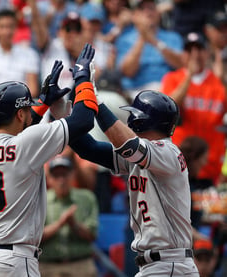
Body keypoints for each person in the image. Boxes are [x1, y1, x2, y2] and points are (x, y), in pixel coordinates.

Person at [0, 44, 99, 277]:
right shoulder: (25, 144)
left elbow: (19, 131)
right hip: (11, 261)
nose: (30, 111)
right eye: (27, 107)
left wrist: (43, 102)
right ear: (19, 114)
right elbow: (84, 120)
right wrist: (83, 79)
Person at [70, 82, 199, 275]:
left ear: (144, 121)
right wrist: (61, 110)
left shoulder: (166, 152)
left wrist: (94, 99)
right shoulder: (141, 155)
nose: (131, 119)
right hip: (159, 265)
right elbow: (90, 149)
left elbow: (127, 144)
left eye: (134, 115)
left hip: (168, 264)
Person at [161, 32, 227, 186]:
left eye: (199, 49)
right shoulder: (173, 79)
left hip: (210, 167)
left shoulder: (218, 83)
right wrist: (189, 75)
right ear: (183, 54)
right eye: (190, 50)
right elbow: (170, 106)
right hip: (180, 166)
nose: (195, 55)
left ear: (207, 52)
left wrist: (222, 80)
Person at [39, 154, 99, 277]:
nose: (61, 180)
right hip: (48, 265)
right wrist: (60, 223)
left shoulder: (87, 198)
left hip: (81, 263)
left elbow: (92, 235)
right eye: (56, 175)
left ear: (72, 175)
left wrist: (74, 224)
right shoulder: (40, 200)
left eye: (65, 174)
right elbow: (35, 238)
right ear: (49, 178)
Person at [115, 0, 183, 100]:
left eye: (151, 8)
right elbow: (128, 71)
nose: (148, 12)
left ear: (158, 14)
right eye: (142, 9)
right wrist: (142, 37)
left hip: (165, 89)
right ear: (134, 16)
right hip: (134, 92)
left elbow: (181, 64)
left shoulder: (173, 37)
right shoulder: (125, 38)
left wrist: (155, 41)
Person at [0, 8, 40, 97]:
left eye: (10, 26)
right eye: (2, 27)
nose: (6, 32)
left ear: (15, 28)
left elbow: (33, 90)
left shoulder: (30, 54)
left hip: (22, 104)